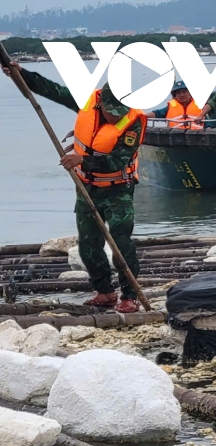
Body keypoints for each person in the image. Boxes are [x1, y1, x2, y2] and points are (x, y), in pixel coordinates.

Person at [1, 62, 144, 312]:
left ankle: (129, 296)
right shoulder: (88, 103)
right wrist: (21, 74)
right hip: (86, 188)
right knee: (88, 245)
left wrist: (82, 159)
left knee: (121, 242)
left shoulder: (134, 121)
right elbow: (52, 90)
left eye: (119, 111)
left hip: (118, 189)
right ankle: (104, 292)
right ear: (101, 102)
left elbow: (118, 159)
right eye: (111, 111)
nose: (115, 115)